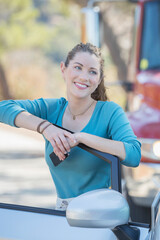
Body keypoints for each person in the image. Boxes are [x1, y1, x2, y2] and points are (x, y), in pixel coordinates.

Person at [0, 42, 141, 210]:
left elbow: (134, 154)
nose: (84, 77)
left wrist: (82, 138)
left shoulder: (110, 112)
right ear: (63, 69)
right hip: (62, 213)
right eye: (78, 67)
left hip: (101, 214)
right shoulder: (52, 109)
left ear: (99, 80)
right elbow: (3, 108)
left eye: (92, 72)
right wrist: (46, 127)